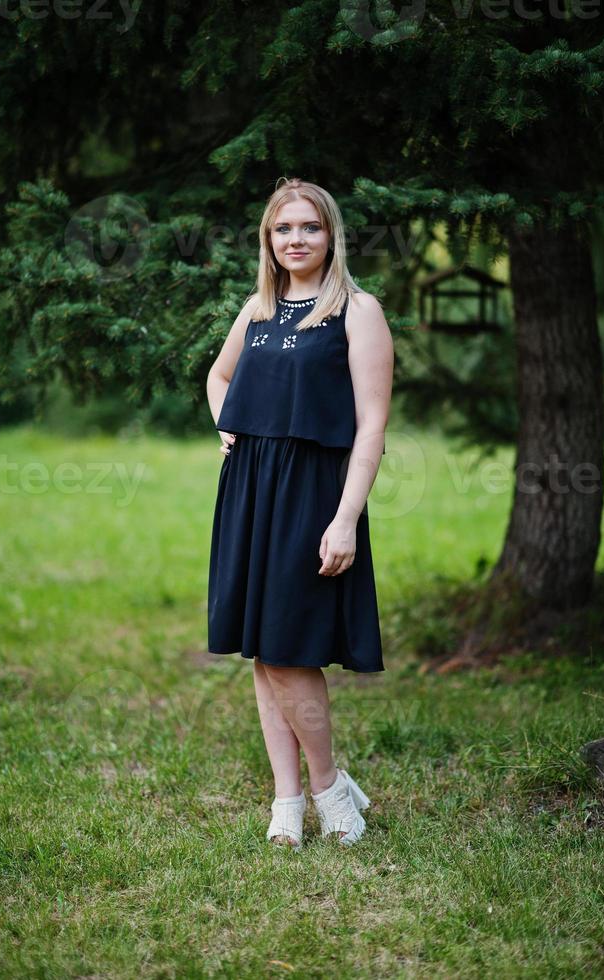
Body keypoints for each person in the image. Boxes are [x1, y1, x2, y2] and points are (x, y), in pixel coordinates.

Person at [206, 177, 393, 850]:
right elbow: (217, 376)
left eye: (308, 228)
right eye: (282, 229)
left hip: (314, 492)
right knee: (263, 648)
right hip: (250, 489)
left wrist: (345, 518)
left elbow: (371, 426)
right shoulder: (257, 307)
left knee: (290, 647)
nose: (295, 240)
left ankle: (328, 788)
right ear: (268, 238)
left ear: (330, 235)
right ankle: (286, 801)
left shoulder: (357, 310)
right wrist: (227, 427)